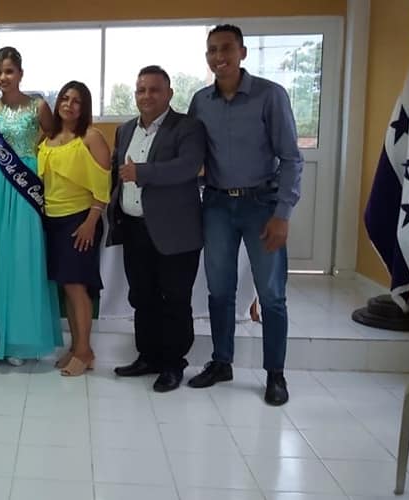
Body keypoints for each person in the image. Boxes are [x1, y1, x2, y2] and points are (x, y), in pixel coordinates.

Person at [187, 24, 304, 405]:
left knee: (271, 294)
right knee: (219, 290)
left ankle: (275, 374)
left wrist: (283, 213)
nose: (219, 57)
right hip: (217, 205)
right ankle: (222, 362)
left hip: (262, 206)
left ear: (242, 52)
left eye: (226, 49)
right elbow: (193, 153)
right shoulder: (200, 101)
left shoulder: (270, 96)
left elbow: (291, 158)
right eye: (212, 50)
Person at [106, 66, 206, 392]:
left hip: (175, 232)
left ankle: (173, 363)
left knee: (175, 299)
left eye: (154, 89)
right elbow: (117, 173)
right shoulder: (125, 130)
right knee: (142, 296)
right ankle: (147, 356)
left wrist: (143, 173)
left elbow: (187, 167)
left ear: (169, 94)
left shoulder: (188, 127)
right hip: (135, 228)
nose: (146, 96)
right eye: (141, 90)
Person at [0, 46, 62, 367]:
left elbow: (54, 137)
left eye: (9, 71)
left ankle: (19, 342)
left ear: (20, 73)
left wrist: (33, 156)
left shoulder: (38, 105)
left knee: (24, 258)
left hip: (26, 182)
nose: (3, 77)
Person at [38, 81, 110, 376]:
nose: (69, 105)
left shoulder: (91, 137)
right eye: (65, 98)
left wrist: (91, 222)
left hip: (80, 220)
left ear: (85, 107)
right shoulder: (49, 138)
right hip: (53, 220)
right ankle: (77, 346)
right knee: (67, 287)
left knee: (78, 287)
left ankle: (85, 351)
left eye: (76, 101)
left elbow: (104, 185)